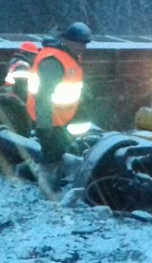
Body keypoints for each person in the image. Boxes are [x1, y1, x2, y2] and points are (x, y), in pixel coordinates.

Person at [26, 22, 91, 199]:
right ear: (67, 40)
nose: (83, 47)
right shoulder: (53, 61)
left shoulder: (67, 57)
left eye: (85, 43)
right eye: (79, 43)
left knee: (57, 152)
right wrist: (44, 126)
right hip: (50, 120)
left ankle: (48, 184)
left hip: (60, 118)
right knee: (50, 157)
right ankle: (47, 193)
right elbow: (43, 97)